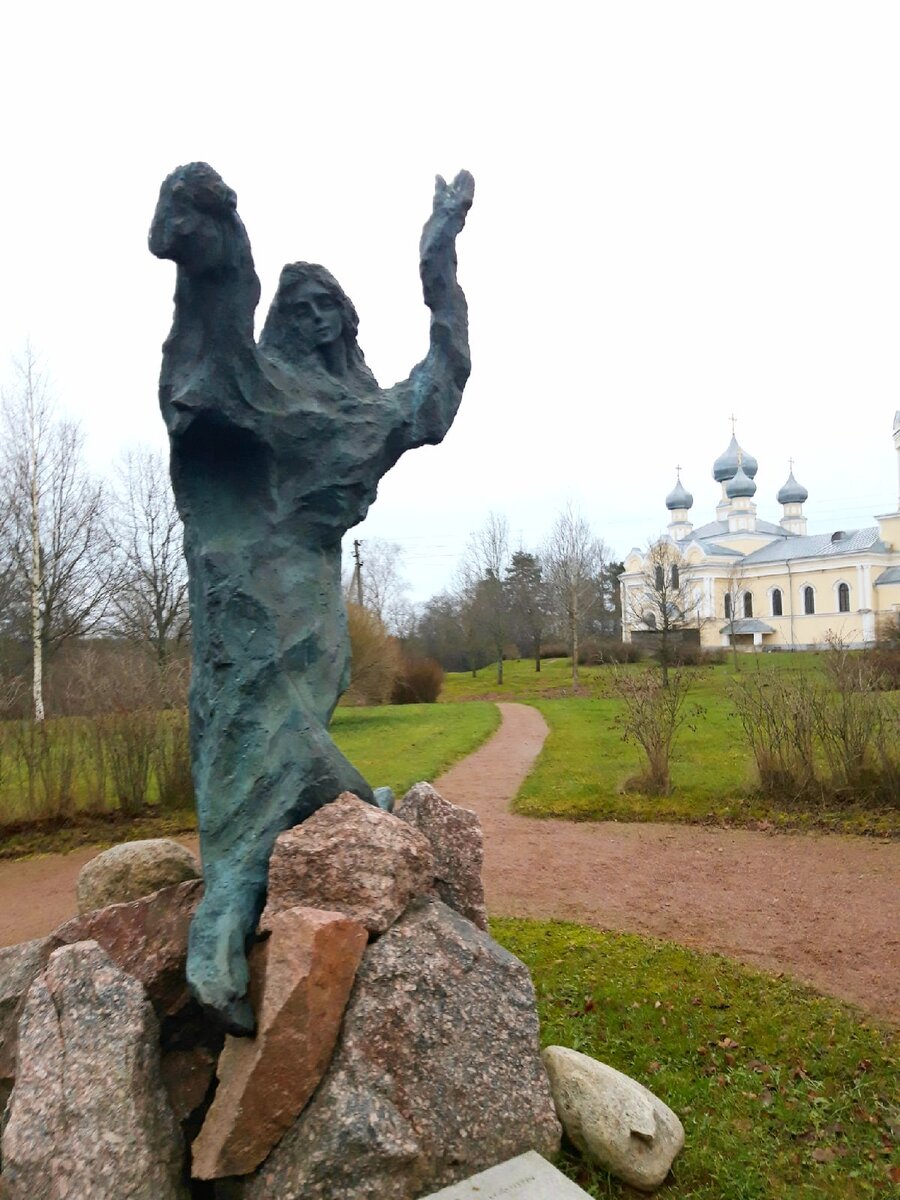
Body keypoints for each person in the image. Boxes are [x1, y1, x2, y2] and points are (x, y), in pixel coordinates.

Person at [149, 162, 474, 1033]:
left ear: (345, 323)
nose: (312, 316)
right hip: (243, 591)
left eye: (326, 305)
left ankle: (324, 839)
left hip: (312, 618)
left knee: (288, 743)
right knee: (255, 729)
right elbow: (212, 358)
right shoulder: (257, 383)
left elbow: (439, 384)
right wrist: (210, 251)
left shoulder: (358, 412)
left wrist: (438, 265)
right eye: (297, 308)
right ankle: (223, 919)